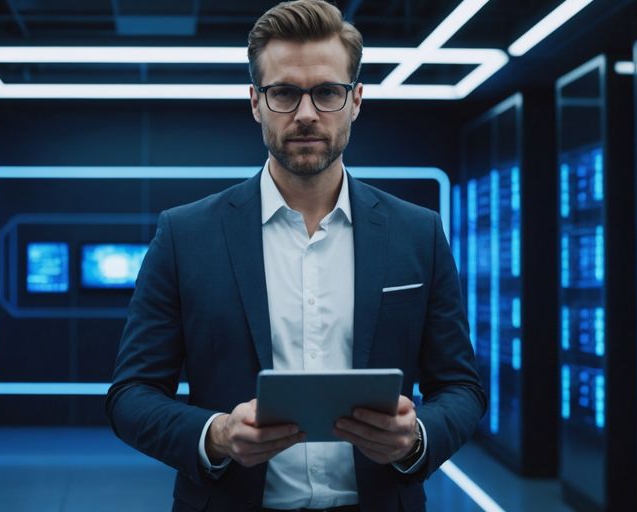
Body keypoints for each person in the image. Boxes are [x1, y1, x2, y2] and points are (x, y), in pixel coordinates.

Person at [105, 1, 486, 510]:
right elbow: (130, 395)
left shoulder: (417, 233)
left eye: (327, 92)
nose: (306, 114)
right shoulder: (186, 235)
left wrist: (416, 437)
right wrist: (215, 433)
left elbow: (461, 387)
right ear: (256, 102)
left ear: (355, 101)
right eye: (284, 92)